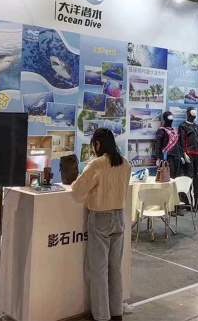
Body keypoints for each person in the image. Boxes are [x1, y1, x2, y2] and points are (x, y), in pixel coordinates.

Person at [71, 128, 131, 321]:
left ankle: (101, 315)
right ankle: (116, 312)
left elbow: (76, 191)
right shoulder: (125, 163)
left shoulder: (97, 164)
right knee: (115, 269)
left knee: (98, 270)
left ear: (97, 144)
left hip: (100, 218)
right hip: (119, 217)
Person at [155, 111, 184, 215]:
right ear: (165, 119)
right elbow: (158, 145)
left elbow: (179, 145)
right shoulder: (161, 131)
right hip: (167, 159)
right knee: (168, 183)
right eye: (169, 117)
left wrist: (181, 155)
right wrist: (158, 157)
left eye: (172, 117)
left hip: (177, 158)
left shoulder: (175, 131)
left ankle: (177, 206)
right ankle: (169, 207)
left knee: (177, 182)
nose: (171, 119)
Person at [179, 107, 198, 210]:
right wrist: (184, 153)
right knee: (189, 178)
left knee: (197, 178)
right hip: (189, 154)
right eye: (192, 112)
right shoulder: (183, 126)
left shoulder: (197, 127)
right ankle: (189, 203)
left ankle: (197, 203)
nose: (194, 115)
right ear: (188, 113)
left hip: (197, 155)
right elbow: (182, 140)